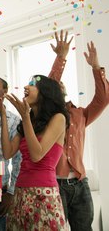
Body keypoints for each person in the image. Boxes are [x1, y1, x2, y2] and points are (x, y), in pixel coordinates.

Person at [0, 74, 69, 230]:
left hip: (44, 194)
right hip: (20, 193)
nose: (26, 87)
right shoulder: (27, 122)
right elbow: (7, 152)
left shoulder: (58, 118)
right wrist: (3, 114)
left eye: (32, 84)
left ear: (45, 92)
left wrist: (25, 116)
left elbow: (37, 154)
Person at [49, 30, 109, 230]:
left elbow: (103, 100)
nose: (59, 87)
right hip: (54, 184)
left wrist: (95, 68)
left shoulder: (80, 114)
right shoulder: (46, 116)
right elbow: (49, 87)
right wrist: (61, 58)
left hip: (80, 184)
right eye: (56, 86)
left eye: (62, 86)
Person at [0, 76, 22, 231]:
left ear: (5, 91)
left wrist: (11, 192)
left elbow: (18, 160)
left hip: (1, 189)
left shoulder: (14, 120)